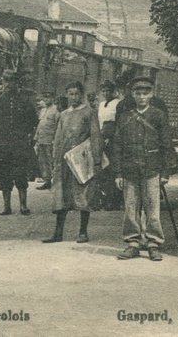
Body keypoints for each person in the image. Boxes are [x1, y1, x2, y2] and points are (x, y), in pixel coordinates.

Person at [111, 76, 177, 262]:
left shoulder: (158, 115)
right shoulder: (125, 117)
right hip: (129, 168)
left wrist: (165, 172)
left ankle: (153, 243)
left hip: (152, 169)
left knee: (152, 208)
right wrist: (117, 173)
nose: (141, 97)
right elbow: (117, 146)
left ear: (151, 94)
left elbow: (166, 145)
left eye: (145, 94)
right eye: (138, 94)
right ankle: (133, 243)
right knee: (131, 208)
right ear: (132, 95)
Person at [43, 81, 103, 244]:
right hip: (64, 162)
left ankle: (83, 232)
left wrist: (96, 160)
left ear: (81, 95)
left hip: (81, 160)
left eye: (76, 94)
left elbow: (96, 136)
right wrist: (55, 158)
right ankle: (58, 233)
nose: (73, 97)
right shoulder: (63, 115)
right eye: (70, 94)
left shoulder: (89, 113)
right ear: (67, 95)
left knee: (83, 195)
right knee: (61, 196)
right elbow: (58, 137)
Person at [0, 70, 38, 216]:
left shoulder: (25, 101)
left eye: (12, 81)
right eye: (6, 81)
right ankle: (6, 207)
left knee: (21, 174)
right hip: (2, 144)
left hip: (19, 145)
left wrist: (22, 133)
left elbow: (33, 121)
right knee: (4, 175)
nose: (8, 84)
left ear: (17, 83)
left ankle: (23, 205)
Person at [95, 81, 124, 210]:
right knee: (103, 170)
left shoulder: (118, 103)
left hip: (113, 139)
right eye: (103, 91)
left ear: (113, 91)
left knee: (113, 170)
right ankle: (105, 198)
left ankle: (114, 200)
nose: (106, 93)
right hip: (102, 139)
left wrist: (111, 137)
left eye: (108, 91)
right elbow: (100, 122)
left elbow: (118, 122)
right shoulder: (101, 105)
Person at [34, 94, 60, 190]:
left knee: (51, 161)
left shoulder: (56, 110)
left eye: (48, 98)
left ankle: (56, 183)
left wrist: (55, 139)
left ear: (52, 99)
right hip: (41, 139)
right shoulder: (43, 110)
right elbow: (40, 124)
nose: (46, 100)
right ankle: (47, 181)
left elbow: (58, 125)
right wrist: (36, 137)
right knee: (43, 161)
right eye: (45, 98)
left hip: (50, 140)